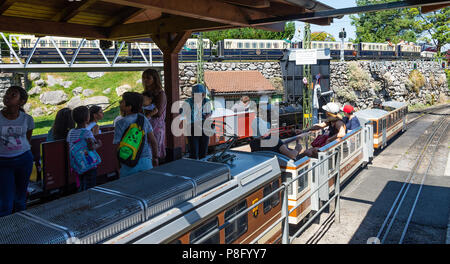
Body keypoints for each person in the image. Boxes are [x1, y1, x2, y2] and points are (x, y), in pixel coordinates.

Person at [0, 86, 34, 217]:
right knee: (5, 201)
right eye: (7, 93)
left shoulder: (27, 119)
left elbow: (27, 140)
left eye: (13, 95)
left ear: (21, 101)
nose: (7, 96)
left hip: (24, 160)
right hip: (3, 163)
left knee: (20, 197)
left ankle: (21, 226)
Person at [113, 92, 158, 177]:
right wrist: (155, 157)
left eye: (123, 101)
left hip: (128, 162)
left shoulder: (120, 123)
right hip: (146, 161)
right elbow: (153, 141)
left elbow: (117, 147)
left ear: (129, 107)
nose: (120, 102)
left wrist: (118, 166)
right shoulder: (143, 119)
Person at [67, 106, 102, 191]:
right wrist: (99, 145)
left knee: (82, 183)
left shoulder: (71, 132)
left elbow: (70, 144)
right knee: (90, 185)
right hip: (89, 163)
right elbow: (91, 147)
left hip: (78, 164)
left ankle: (81, 199)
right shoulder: (86, 132)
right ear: (87, 118)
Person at [142, 69, 167, 162]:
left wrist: (146, 114)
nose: (145, 80)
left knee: (155, 149)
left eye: (148, 78)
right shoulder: (145, 93)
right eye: (144, 78)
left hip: (156, 126)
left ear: (155, 79)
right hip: (147, 125)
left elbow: (158, 112)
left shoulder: (160, 93)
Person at [183, 84, 213, 160]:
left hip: (203, 129)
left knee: (203, 153)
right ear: (193, 95)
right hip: (192, 129)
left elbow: (208, 113)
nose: (201, 96)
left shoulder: (206, 101)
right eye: (197, 95)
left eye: (202, 94)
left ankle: (203, 169)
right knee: (194, 153)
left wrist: (208, 115)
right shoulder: (188, 102)